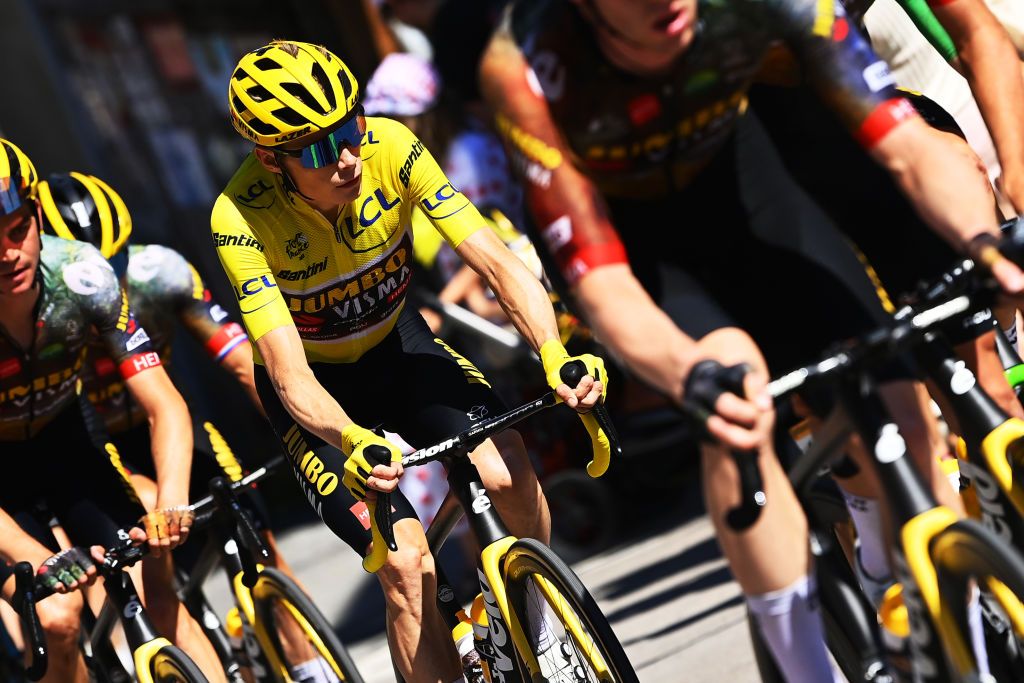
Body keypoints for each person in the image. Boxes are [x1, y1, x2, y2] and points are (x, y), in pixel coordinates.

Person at [479, 1, 1024, 680]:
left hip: (742, 182)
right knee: (733, 391)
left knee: (903, 405)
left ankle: (925, 613)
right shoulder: (526, 64)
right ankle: (802, 668)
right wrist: (688, 373)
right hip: (631, 240)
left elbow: (907, 146)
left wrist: (986, 247)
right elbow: (606, 291)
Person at [212, 40, 606, 683]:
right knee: (405, 565)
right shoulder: (240, 216)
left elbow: (494, 260)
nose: (345, 159)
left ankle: (536, 622)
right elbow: (286, 372)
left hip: (399, 345)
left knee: (509, 473)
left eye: (350, 128)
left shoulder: (392, 146)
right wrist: (351, 438)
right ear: (270, 160)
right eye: (315, 148)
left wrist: (554, 353)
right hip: (319, 396)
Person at [0, 138, 225, 681]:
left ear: (34, 213)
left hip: (67, 441)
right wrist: (36, 552)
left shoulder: (83, 275)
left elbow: (164, 402)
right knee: (58, 617)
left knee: (154, 575)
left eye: (16, 230)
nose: (9, 254)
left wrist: (171, 503)